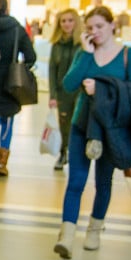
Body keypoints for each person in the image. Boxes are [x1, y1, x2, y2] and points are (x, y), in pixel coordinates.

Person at [54, 6, 131, 258]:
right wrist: (85, 55)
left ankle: (95, 228)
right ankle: (67, 234)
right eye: (90, 28)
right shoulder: (84, 52)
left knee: (103, 182)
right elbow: (69, 85)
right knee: (75, 181)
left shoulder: (130, 55)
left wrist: (102, 90)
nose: (94, 32)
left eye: (99, 27)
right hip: (81, 125)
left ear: (112, 26)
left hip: (111, 129)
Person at [0, 0, 37, 179]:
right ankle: (2, 163)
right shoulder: (17, 29)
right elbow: (31, 56)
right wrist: (18, 65)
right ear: (7, 9)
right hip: (10, 83)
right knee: (7, 123)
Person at [48, 9, 83, 170]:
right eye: (63, 21)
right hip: (63, 92)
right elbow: (52, 71)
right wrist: (53, 94)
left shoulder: (83, 45)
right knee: (64, 126)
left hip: (81, 92)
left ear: (76, 22)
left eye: (70, 20)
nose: (67, 24)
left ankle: (77, 155)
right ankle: (63, 154)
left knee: (79, 124)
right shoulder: (56, 45)